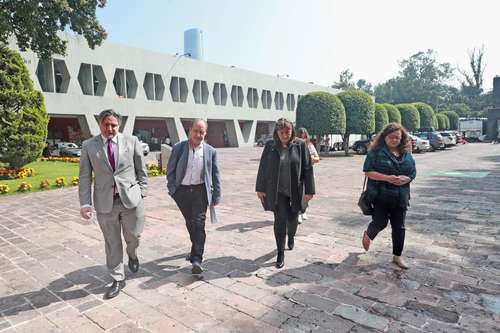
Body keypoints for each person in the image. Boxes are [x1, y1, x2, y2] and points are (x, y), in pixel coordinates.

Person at [79, 109, 148, 299]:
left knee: (134, 237)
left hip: (131, 201)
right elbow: (84, 176)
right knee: (112, 242)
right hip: (104, 203)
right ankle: (117, 278)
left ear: (119, 125)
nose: (110, 129)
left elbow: (141, 170)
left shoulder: (131, 141)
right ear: (100, 124)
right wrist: (85, 203)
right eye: (106, 124)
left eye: (114, 125)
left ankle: (132, 254)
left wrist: (142, 192)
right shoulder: (88, 146)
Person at [256, 118, 315, 268]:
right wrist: (260, 188)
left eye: (287, 131)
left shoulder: (300, 145)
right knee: (280, 220)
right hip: (277, 191)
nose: (284, 135)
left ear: (292, 131)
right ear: (277, 132)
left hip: (295, 189)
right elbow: (263, 167)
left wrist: (309, 190)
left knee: (293, 219)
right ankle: (280, 252)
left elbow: (308, 168)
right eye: (281, 132)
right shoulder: (270, 146)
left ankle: (291, 236)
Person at [167, 119, 221, 275]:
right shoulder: (178, 148)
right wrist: (172, 190)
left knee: (198, 223)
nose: (198, 134)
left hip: (201, 191)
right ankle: (194, 248)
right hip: (181, 192)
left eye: (202, 132)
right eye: (196, 131)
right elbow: (170, 170)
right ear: (190, 130)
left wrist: (216, 194)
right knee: (190, 222)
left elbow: (215, 174)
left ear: (205, 133)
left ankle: (197, 258)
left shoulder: (210, 151)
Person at [361, 123, 416, 269]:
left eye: (397, 137)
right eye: (391, 137)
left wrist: (408, 179)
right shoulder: (376, 152)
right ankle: (368, 234)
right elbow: (367, 171)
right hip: (381, 196)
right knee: (380, 222)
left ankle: (397, 256)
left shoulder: (406, 153)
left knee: (399, 227)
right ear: (384, 137)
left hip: (401, 197)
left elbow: (412, 172)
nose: (394, 140)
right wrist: (387, 178)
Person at [295, 128, 319, 223]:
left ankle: (304, 209)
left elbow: (317, 158)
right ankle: (298, 213)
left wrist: (309, 158)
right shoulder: (294, 145)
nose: (303, 139)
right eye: (301, 137)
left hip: (308, 174)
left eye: (304, 137)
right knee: (298, 194)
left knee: (307, 194)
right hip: (297, 175)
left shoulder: (309, 145)